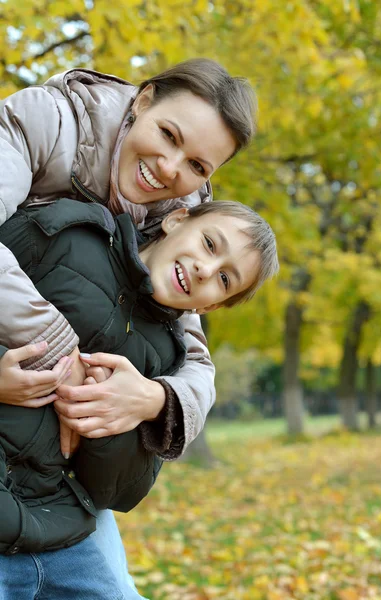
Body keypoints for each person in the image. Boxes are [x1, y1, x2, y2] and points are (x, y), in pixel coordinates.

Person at [0, 58, 257, 597]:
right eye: (167, 134)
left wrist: (153, 399)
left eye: (197, 165)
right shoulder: (48, 121)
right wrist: (60, 355)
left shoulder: (181, 221)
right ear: (142, 99)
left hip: (51, 475)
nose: (168, 169)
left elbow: (197, 365)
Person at [0, 197, 279, 599]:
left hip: (57, 527)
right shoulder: (68, 235)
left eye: (224, 280)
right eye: (210, 245)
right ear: (177, 219)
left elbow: (121, 491)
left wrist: (113, 418)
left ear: (211, 306)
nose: (206, 269)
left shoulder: (169, 357)